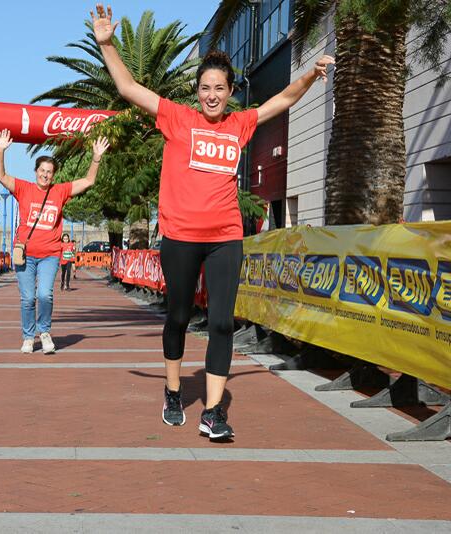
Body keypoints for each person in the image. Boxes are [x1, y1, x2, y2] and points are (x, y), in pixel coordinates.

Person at [92, 4, 334, 440]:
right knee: (180, 317)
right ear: (197, 90)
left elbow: (280, 100)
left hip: (225, 238)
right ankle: (172, 392)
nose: (211, 95)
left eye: (218, 88)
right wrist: (108, 44)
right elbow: (128, 87)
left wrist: (310, 76)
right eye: (204, 87)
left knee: (222, 322)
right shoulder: (176, 118)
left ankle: (214, 412)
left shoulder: (239, 124)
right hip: (180, 238)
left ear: (229, 92)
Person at [0, 129, 109, 354]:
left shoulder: (60, 191)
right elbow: (1, 175)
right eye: (42, 171)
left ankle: (44, 332)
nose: (45, 175)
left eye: (49, 172)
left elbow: (89, 180)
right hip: (25, 254)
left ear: (53, 175)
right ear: (35, 171)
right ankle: (29, 337)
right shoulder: (23, 188)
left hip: (49, 254)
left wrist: (96, 157)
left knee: (44, 294)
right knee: (27, 298)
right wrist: (1, 150)